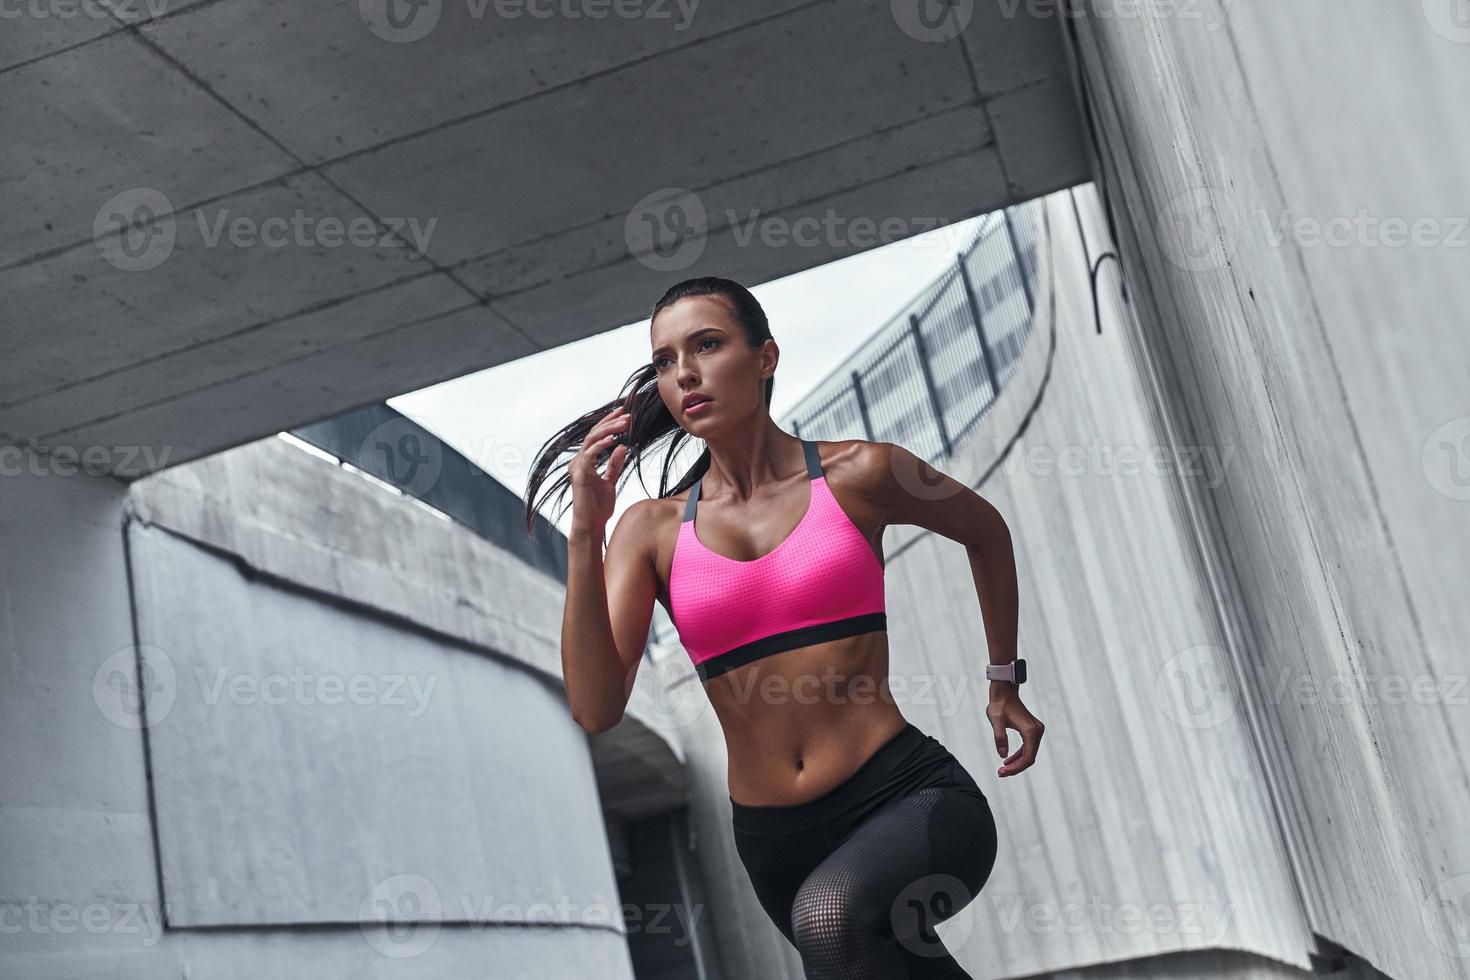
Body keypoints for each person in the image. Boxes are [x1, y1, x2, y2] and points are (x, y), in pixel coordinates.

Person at [524, 276, 1044, 978]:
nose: (685, 373)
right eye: (665, 361)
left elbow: (985, 531)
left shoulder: (861, 472)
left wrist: (1004, 680)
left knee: (830, 919)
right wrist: (586, 531)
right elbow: (595, 706)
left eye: (707, 345)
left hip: (908, 797)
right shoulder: (648, 530)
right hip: (777, 842)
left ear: (764, 357)